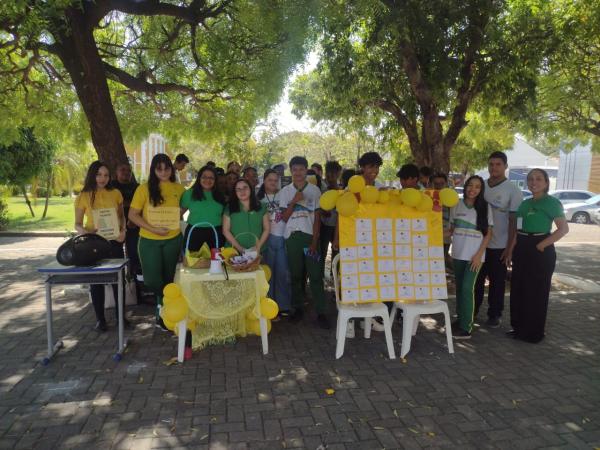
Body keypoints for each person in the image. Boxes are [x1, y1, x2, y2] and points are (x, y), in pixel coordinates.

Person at [508, 169, 568, 343]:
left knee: (536, 292)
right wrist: (511, 250)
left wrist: (541, 245)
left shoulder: (552, 203)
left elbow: (563, 229)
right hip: (522, 246)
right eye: (530, 179)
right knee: (519, 289)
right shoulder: (524, 204)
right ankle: (518, 329)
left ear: (546, 182)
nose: (534, 182)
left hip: (541, 247)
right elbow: (518, 231)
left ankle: (534, 333)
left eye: (538, 179)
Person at [129, 154, 185, 329]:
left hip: (173, 240)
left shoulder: (179, 188)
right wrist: (153, 229)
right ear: (153, 170)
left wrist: (176, 216)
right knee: (153, 280)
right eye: (159, 168)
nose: (163, 172)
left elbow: (184, 207)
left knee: (169, 278)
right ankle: (164, 303)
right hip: (148, 240)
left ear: (171, 168)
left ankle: (163, 313)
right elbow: (132, 215)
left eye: (167, 168)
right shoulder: (143, 189)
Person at [75, 161, 127, 332]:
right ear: (92, 175)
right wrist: (85, 232)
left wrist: (123, 232)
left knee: (118, 280)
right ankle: (100, 320)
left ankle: (121, 317)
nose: (102, 178)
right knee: (96, 282)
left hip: (113, 242)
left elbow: (121, 218)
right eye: (99, 174)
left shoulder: (116, 193)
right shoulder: (84, 196)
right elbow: (77, 224)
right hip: (93, 243)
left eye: (105, 175)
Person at [279, 156, 329, 329]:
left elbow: (317, 219)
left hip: (309, 238)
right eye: (295, 169)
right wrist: (294, 200)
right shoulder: (285, 191)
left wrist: (315, 241)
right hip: (292, 237)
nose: (298, 172)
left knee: (315, 275)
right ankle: (298, 308)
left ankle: (321, 312)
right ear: (290, 171)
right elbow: (284, 218)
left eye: (301, 169)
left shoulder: (315, 190)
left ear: (306, 170)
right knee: (295, 275)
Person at [474, 151, 523, 327]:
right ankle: (471, 312)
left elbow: (514, 223)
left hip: (500, 245)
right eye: (491, 164)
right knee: (476, 280)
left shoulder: (513, 190)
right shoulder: (480, 186)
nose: (494, 168)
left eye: (498, 164)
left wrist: (510, 248)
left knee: (497, 283)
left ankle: (494, 314)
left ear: (505, 166)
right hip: (478, 244)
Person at [449, 175, 493, 339]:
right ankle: (461, 319)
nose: (472, 189)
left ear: (481, 190)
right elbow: (452, 230)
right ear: (466, 186)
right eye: (470, 185)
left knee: (467, 288)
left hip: (474, 257)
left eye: (477, 187)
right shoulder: (456, 205)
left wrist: (478, 255)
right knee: (460, 288)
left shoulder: (485, 207)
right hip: (458, 254)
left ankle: (466, 328)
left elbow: (488, 234)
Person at [257, 169, 291, 315]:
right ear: (264, 180)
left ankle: (283, 306)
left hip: (282, 237)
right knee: (269, 273)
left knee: (282, 273)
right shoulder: (258, 199)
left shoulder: (283, 194)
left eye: (275, 180)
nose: (273, 183)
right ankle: (269, 306)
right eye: (270, 180)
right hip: (267, 239)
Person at [180, 165, 225, 252]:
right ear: (199, 178)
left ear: (215, 180)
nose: (207, 180)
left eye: (211, 178)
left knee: (216, 263)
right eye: (204, 177)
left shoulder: (220, 195)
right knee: (193, 263)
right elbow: (179, 213)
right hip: (194, 233)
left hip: (215, 233)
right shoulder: (189, 194)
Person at [222, 178, 270, 254]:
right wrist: (241, 250)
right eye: (238, 189)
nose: (242, 191)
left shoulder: (261, 206)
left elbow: (267, 229)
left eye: (245, 187)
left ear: (250, 189)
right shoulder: (229, 207)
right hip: (234, 251)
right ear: (235, 192)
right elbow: (225, 231)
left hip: (258, 251)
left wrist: (258, 247)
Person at [110, 162, 141, 277]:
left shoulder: (137, 187)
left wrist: (133, 219)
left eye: (129, 170)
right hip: (115, 224)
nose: (126, 172)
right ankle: (118, 277)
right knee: (116, 253)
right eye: (123, 169)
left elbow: (140, 205)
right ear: (116, 172)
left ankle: (133, 277)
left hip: (134, 224)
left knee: (134, 252)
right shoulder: (111, 186)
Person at [320, 161, 342, 277]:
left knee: (337, 253)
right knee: (322, 253)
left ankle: (335, 280)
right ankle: (321, 278)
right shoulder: (323, 190)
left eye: (333, 174)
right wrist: (324, 212)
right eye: (328, 174)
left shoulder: (343, 192)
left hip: (338, 228)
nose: (330, 177)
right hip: (324, 227)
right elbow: (319, 210)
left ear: (338, 174)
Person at [432, 173, 452, 267]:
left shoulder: (451, 198)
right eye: (436, 183)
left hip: (445, 238)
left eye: (441, 183)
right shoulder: (426, 197)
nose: (439, 186)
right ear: (431, 184)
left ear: (446, 184)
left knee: (440, 266)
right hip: (429, 237)